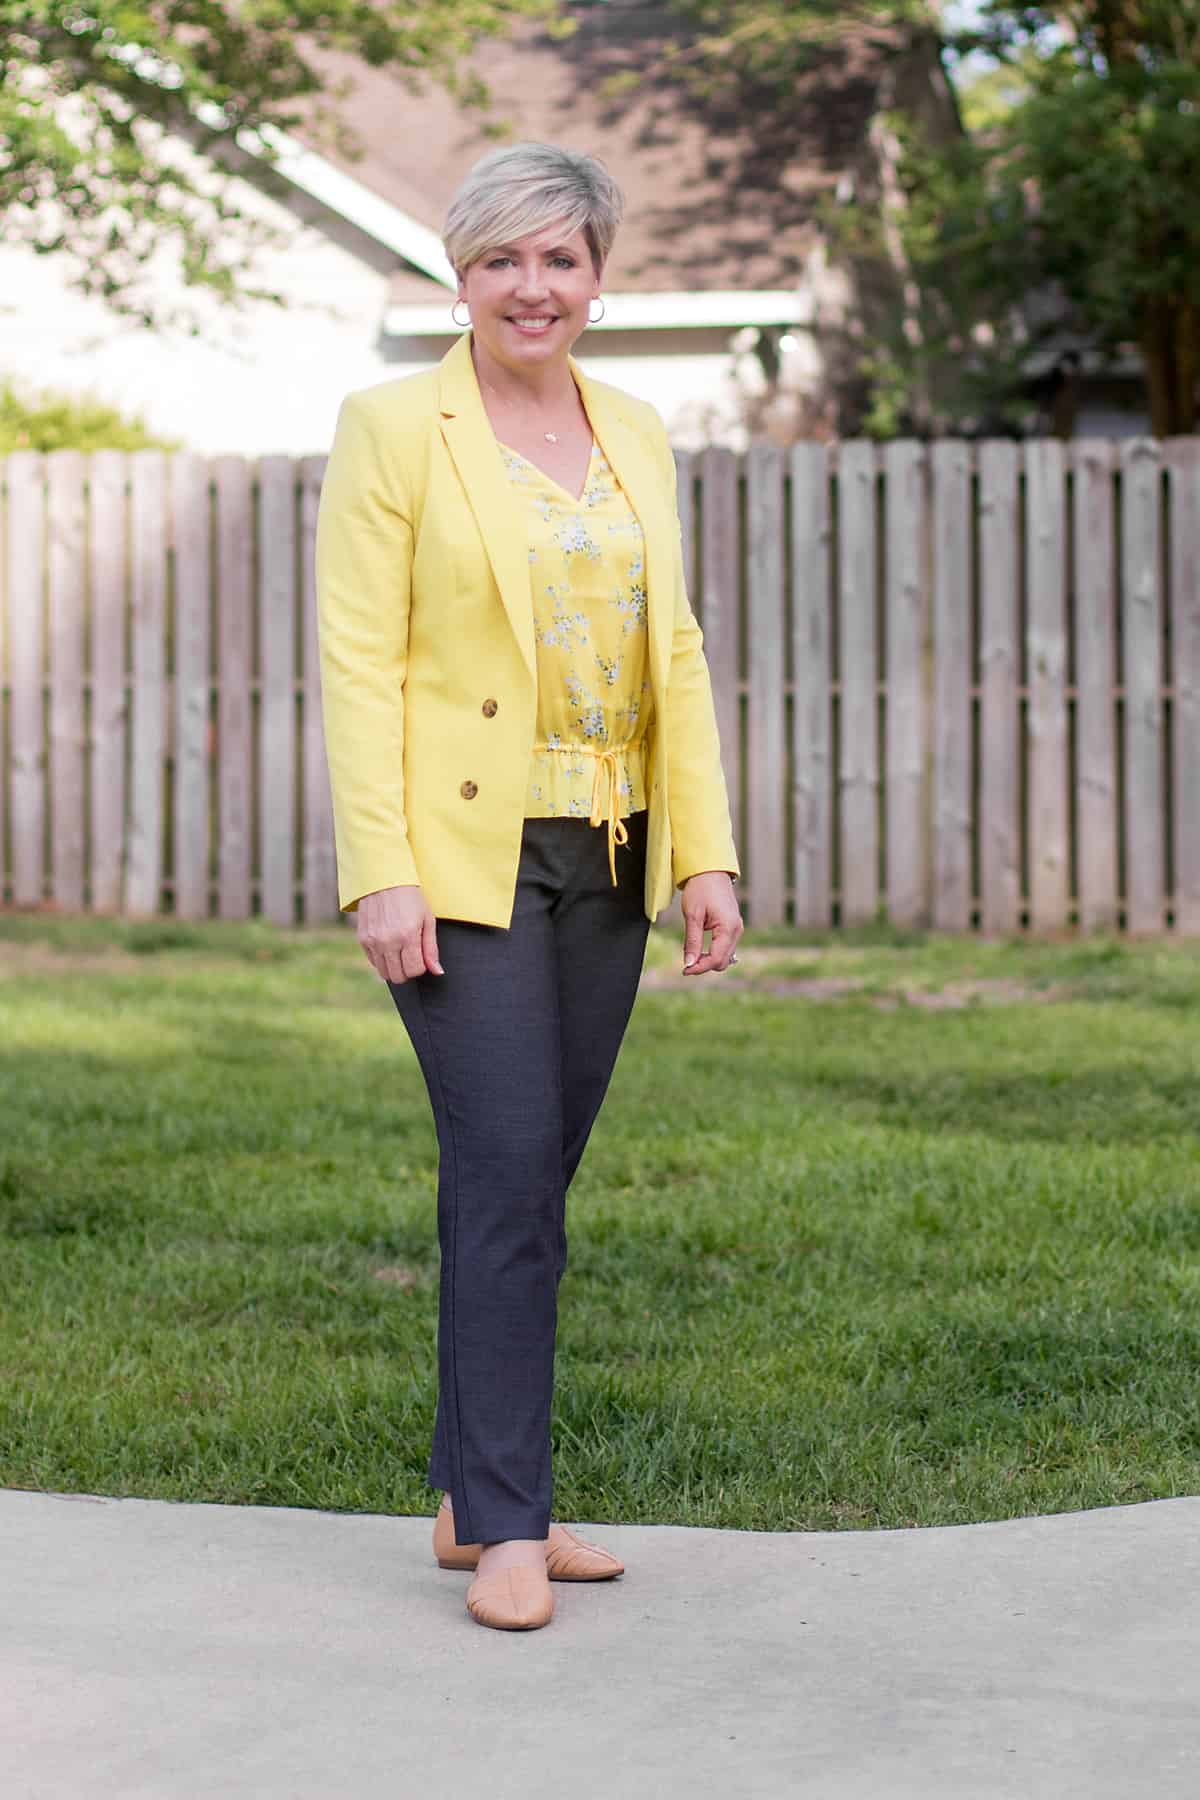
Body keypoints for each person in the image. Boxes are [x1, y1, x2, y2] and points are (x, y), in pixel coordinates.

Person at [315, 142, 743, 1632]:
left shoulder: (634, 427)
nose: (532, 286)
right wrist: (381, 871)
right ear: (461, 275)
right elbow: (361, 662)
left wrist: (705, 849)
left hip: (611, 855)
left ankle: (463, 1492)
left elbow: (669, 649)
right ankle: (508, 1522)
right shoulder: (392, 427)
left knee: (527, 1184)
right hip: (463, 865)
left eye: (561, 258)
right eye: (503, 259)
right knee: (505, 1177)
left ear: (600, 279)